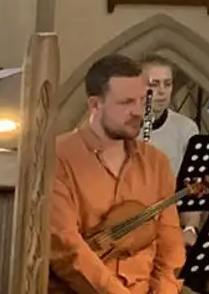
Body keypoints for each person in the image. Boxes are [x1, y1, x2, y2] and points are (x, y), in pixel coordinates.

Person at [50, 54, 186, 294]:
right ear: (95, 105)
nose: (138, 112)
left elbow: (170, 246)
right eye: (126, 103)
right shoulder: (58, 157)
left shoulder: (157, 162)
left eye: (142, 100)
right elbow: (67, 249)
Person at [140, 55, 200, 176]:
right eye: (154, 84)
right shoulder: (120, 128)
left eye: (167, 84)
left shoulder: (186, 128)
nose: (162, 91)